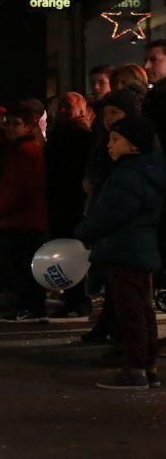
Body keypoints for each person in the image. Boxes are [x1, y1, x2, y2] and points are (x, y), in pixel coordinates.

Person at [76, 117, 163, 390]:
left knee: (130, 311)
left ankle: (134, 369)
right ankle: (148, 366)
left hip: (125, 249)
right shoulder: (149, 170)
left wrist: (85, 231)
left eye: (115, 140)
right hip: (139, 248)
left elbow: (111, 214)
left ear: (134, 146)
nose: (109, 145)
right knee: (142, 308)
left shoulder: (128, 174)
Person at [0, 103, 48, 323]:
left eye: (16, 124)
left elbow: (20, 187)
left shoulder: (25, 151)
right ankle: (28, 305)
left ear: (28, 127)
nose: (10, 128)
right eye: (8, 124)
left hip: (22, 220)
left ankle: (30, 306)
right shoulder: (20, 150)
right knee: (22, 266)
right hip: (21, 218)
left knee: (23, 266)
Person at [46, 93, 95, 314]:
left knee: (72, 250)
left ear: (81, 110)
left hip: (71, 202)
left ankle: (77, 299)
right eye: (60, 106)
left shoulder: (78, 134)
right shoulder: (61, 133)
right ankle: (73, 298)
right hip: (62, 201)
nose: (63, 110)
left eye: (69, 106)